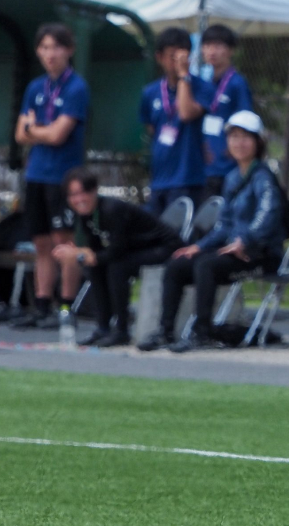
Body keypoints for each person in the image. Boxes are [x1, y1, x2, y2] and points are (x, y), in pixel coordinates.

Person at [140, 111, 289, 353]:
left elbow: (268, 216)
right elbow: (224, 225)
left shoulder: (264, 177)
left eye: (246, 137)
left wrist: (245, 241)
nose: (239, 143)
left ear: (258, 142)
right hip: (234, 252)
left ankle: (202, 332)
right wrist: (198, 246)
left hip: (260, 255)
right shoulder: (232, 178)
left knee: (206, 265)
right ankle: (165, 331)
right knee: (178, 264)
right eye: (234, 137)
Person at [12, 23, 90, 329]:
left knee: (63, 243)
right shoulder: (35, 88)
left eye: (56, 47)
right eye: (44, 48)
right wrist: (35, 132)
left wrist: (35, 130)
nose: (50, 54)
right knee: (41, 243)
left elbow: (59, 135)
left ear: (69, 50)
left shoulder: (76, 88)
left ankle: (66, 306)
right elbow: (20, 134)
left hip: (63, 176)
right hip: (36, 174)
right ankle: (42, 304)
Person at [52, 167, 181, 347]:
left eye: (83, 193)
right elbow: (95, 249)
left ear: (94, 191)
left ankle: (121, 329)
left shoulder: (112, 210)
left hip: (162, 247)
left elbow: (116, 250)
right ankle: (103, 326)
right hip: (133, 249)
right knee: (96, 267)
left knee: (117, 266)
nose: (78, 200)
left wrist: (81, 256)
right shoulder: (85, 214)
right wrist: (85, 255)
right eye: (72, 195)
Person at [140, 27, 214, 215]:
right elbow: (150, 127)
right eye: (172, 57)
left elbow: (186, 113)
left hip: (187, 177)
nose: (177, 62)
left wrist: (184, 76)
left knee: (181, 238)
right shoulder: (150, 92)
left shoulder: (202, 87)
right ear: (160, 57)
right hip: (159, 178)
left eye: (182, 57)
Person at [199, 25, 253, 198]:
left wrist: (233, 150)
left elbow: (245, 121)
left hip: (227, 165)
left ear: (231, 50)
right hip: (204, 164)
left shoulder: (237, 84)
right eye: (207, 46)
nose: (212, 51)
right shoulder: (202, 83)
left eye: (218, 45)